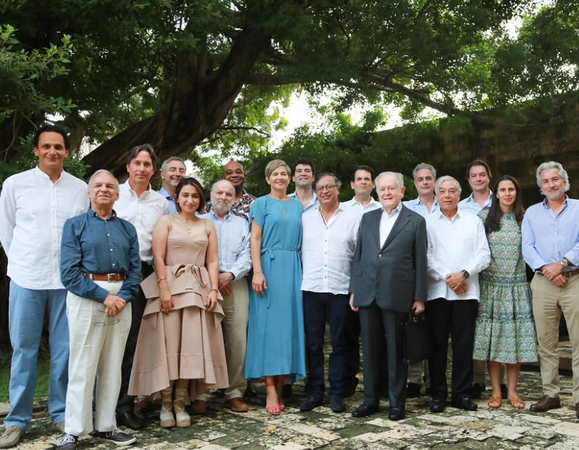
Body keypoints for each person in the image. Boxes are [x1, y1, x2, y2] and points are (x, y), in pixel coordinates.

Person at [0, 125, 89, 449]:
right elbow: (6, 230)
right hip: (27, 277)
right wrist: (22, 262)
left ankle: (61, 412)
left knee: (64, 350)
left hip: (67, 281)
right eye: (46, 146)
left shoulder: (80, 189)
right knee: (24, 349)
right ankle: (16, 420)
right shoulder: (15, 185)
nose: (53, 151)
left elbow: (83, 233)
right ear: (36, 150)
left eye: (58, 147)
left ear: (67, 151)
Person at [129, 177, 228, 427]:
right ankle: (165, 402)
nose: (190, 200)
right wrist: (163, 288)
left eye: (195, 196)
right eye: (185, 195)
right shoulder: (166, 221)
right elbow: (158, 257)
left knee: (190, 346)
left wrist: (213, 289)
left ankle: (180, 402)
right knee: (169, 344)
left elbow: (212, 260)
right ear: (177, 198)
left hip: (198, 289)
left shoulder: (207, 225)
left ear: (200, 199)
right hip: (170, 288)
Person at [57, 170, 141, 450]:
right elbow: (69, 273)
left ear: (117, 194)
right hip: (88, 296)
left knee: (113, 364)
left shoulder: (127, 229)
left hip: (122, 298)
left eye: (109, 186)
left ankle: (106, 426)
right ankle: (73, 430)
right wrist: (105, 298)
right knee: (82, 363)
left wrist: (122, 297)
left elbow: (135, 270)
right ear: (89, 192)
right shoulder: (74, 225)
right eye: (98, 186)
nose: (104, 189)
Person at [349, 172, 428, 421]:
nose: (386, 193)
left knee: (396, 351)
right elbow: (359, 256)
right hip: (367, 292)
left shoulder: (415, 221)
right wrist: (354, 290)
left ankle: (396, 403)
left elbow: (420, 262)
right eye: (382, 189)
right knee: (370, 351)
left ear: (402, 191)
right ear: (377, 192)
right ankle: (370, 400)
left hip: (397, 293)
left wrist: (419, 297)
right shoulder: (368, 218)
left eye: (391, 188)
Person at [245, 159, 306, 415]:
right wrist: (257, 271)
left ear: (290, 179)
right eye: (275, 174)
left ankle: (282, 386)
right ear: (267, 178)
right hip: (268, 268)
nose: (279, 177)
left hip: (292, 268)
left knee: (287, 329)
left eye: (284, 173)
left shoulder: (298, 206)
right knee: (269, 330)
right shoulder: (260, 203)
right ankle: (270, 388)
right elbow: (255, 239)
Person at [114, 144, 169, 430]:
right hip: (111, 273)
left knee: (132, 341)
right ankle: (97, 406)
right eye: (137, 163)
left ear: (153, 170)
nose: (142, 168)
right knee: (105, 340)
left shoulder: (160, 203)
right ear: (128, 166)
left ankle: (124, 406)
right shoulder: (113, 193)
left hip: (143, 273)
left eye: (147, 164)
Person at [426, 176, 490, 413]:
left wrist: (463, 275)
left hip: (467, 293)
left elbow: (483, 255)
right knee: (437, 346)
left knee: (464, 346)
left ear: (459, 194)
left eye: (452, 191)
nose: (447, 195)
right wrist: (449, 278)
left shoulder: (473, 221)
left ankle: (462, 394)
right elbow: (425, 256)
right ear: (436, 195)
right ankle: (438, 394)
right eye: (442, 191)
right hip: (437, 293)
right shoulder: (427, 223)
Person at [473, 175, 538, 410]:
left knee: (515, 341)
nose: (508, 193)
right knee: (494, 341)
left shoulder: (525, 218)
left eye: (511, 189)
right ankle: (496, 391)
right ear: (496, 193)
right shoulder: (484, 218)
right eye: (503, 189)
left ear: (516, 192)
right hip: (491, 288)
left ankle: (512, 391)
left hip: (516, 287)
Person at [522, 161, 579, 417]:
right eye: (545, 181)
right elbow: (527, 246)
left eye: (555, 179)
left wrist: (562, 263)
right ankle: (551, 394)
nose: (551, 184)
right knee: (546, 342)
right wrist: (547, 269)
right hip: (543, 282)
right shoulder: (532, 213)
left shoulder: (578, 208)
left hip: (574, 279)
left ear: (564, 181)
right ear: (540, 187)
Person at [299, 173, 360, 413]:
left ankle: (337, 392)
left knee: (340, 344)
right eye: (321, 188)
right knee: (313, 344)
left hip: (340, 288)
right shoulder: (305, 218)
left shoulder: (352, 217)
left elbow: (359, 255)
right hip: (311, 288)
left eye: (329, 187)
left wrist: (356, 288)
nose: (325, 191)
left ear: (338, 189)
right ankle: (315, 391)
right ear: (316, 191)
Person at [194, 180, 252, 414]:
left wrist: (230, 275)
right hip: (204, 286)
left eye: (229, 194)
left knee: (237, 341)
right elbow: (195, 253)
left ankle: (234, 392)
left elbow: (248, 253)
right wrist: (214, 279)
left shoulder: (242, 223)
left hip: (235, 285)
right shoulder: (199, 222)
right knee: (206, 340)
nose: (224, 197)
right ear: (210, 195)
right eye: (219, 192)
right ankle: (202, 393)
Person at [458, 159, 500, 399]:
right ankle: (477, 380)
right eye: (473, 175)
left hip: (498, 275)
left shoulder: (502, 200)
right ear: (468, 179)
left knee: (498, 327)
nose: (478, 179)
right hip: (470, 276)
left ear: (489, 176)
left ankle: (499, 382)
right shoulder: (461, 207)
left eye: (482, 174)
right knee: (475, 328)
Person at [403, 162, 438, 398]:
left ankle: (433, 380)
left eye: (428, 178)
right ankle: (413, 380)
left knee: (435, 332)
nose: (425, 182)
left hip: (440, 281)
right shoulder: (406, 208)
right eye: (420, 179)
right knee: (415, 329)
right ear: (414, 183)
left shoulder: (446, 203)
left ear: (434, 181)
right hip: (414, 278)